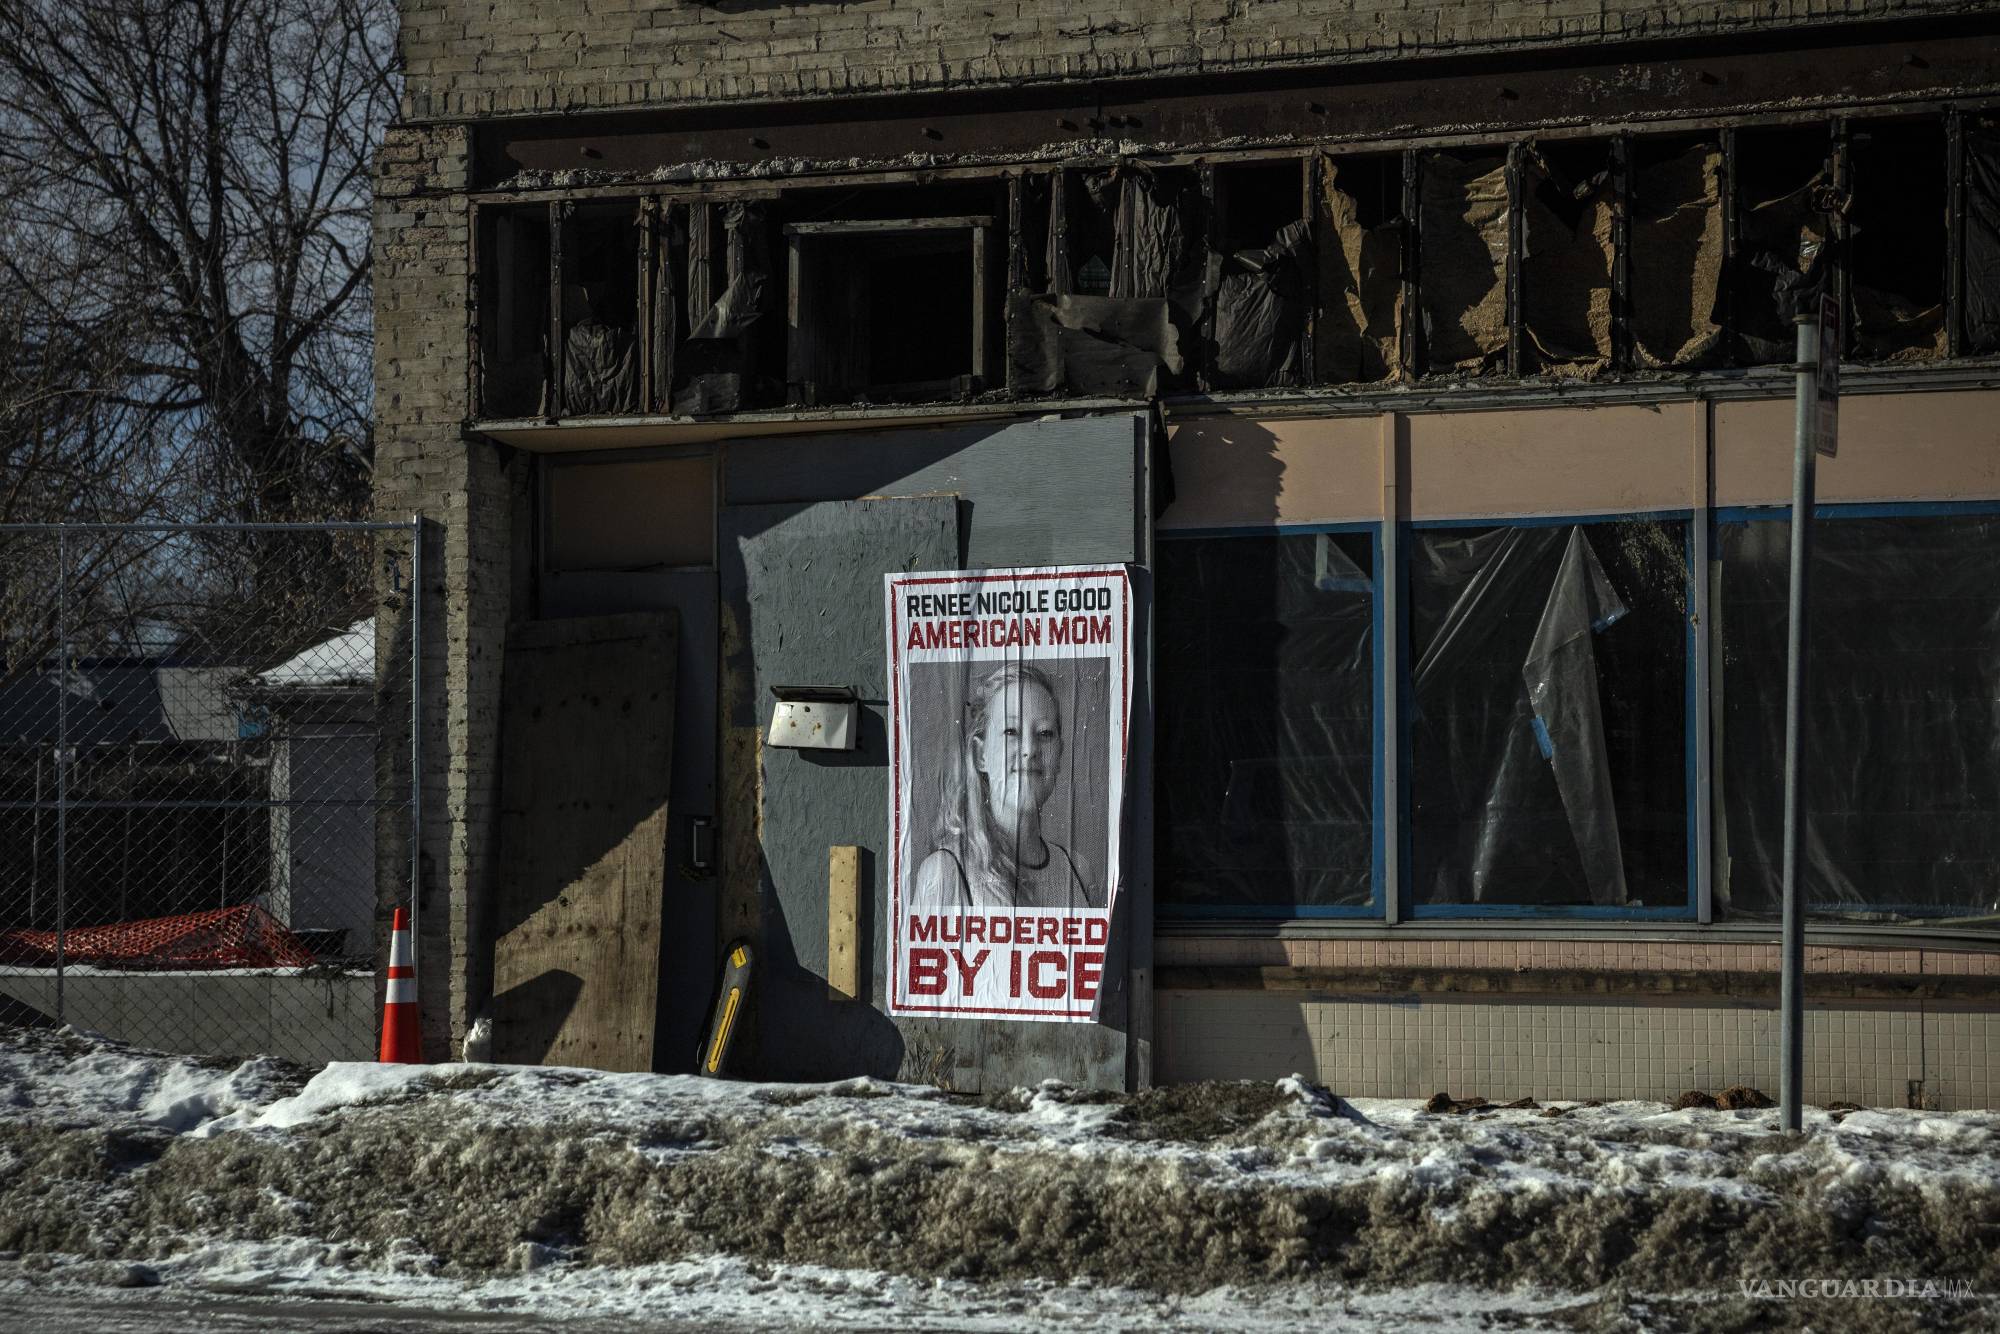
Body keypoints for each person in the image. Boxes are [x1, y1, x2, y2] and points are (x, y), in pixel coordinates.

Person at [913, 662, 1101, 911]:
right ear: (981, 755)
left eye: (1045, 733)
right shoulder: (946, 872)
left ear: (1060, 754)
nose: (1030, 750)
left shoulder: (1078, 872)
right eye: (1011, 732)